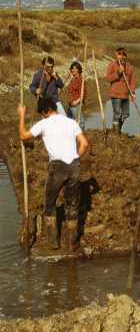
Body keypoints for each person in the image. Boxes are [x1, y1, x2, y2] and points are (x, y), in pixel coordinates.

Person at [18, 98, 88, 252]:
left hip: (57, 166)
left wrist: (21, 115)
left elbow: (23, 136)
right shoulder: (71, 122)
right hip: (74, 164)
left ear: (45, 111)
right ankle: (73, 243)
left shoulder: (44, 123)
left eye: (42, 114)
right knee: (72, 206)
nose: (43, 116)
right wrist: (75, 157)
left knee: (49, 204)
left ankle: (53, 242)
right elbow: (84, 143)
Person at [106, 47, 136, 133]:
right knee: (117, 114)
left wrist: (132, 93)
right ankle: (116, 133)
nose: (122, 56)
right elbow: (108, 79)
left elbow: (132, 81)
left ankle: (117, 130)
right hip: (115, 94)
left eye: (124, 54)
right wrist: (118, 72)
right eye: (119, 54)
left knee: (126, 114)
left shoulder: (130, 67)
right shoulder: (111, 65)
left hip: (126, 94)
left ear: (126, 56)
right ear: (116, 54)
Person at [67, 61, 87, 131]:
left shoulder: (81, 79)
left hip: (77, 105)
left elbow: (83, 93)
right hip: (71, 105)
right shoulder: (73, 79)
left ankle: (81, 137)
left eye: (75, 68)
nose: (73, 70)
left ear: (79, 70)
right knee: (70, 122)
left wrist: (76, 101)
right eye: (72, 68)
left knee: (80, 122)